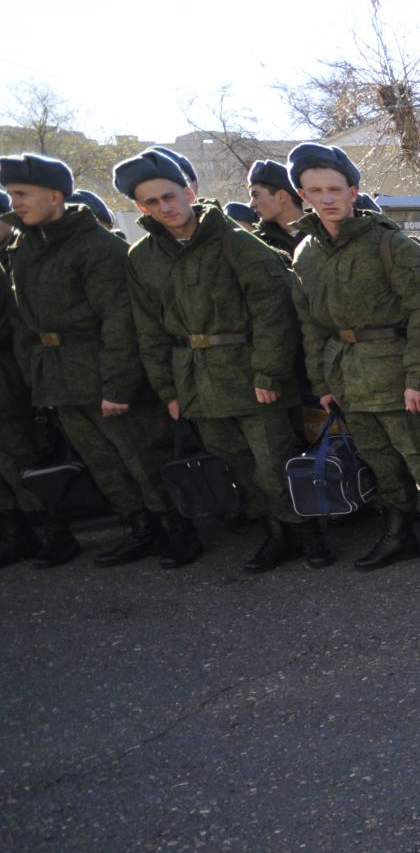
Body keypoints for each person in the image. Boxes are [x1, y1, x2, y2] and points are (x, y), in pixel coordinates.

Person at [117, 149, 308, 572]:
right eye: (151, 202)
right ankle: (274, 528)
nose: (163, 208)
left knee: (273, 460)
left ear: (189, 192)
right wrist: (168, 389)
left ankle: (299, 532)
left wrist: (269, 371)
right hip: (196, 381)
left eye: (169, 196)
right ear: (139, 207)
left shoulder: (237, 243)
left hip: (251, 374)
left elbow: (274, 313)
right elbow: (149, 330)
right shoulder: (143, 258)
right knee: (234, 460)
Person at [287, 142, 420, 572]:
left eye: (335, 188)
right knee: (379, 459)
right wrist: (323, 384)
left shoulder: (390, 245)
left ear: (352, 190)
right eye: (315, 190)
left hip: (397, 372)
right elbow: (311, 325)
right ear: (303, 196)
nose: (326, 198)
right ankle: (399, 532)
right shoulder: (306, 254)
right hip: (346, 376)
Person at [3, 152, 180, 566]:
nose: (15, 203)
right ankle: (139, 528)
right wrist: (39, 381)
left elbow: (120, 322)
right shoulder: (27, 249)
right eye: (11, 195)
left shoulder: (97, 248)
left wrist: (117, 385)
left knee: (140, 457)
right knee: (103, 463)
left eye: (21, 194)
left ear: (54, 195)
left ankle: (176, 529)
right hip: (63, 379)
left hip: (104, 374)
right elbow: (26, 325)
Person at [0, 187, 60, 566]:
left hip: (8, 379)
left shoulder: (17, 259)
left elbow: (18, 330)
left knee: (23, 459)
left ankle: (54, 531)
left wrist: (33, 384)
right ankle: (16, 532)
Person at [247, 160, 305, 258]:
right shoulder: (259, 243)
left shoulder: (325, 232)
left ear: (281, 196)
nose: (251, 205)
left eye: (256, 195)